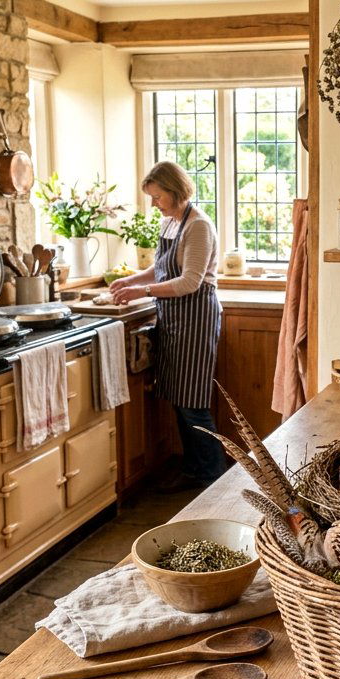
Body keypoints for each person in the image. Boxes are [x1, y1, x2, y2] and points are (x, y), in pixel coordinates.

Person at [110, 161, 225, 489]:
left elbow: (190, 281)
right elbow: (161, 267)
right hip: (175, 319)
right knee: (179, 399)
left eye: (157, 197)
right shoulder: (171, 222)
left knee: (193, 403)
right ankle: (194, 471)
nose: (153, 203)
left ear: (175, 192)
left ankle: (214, 477)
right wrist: (130, 280)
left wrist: (142, 291)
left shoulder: (198, 226)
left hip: (196, 318)